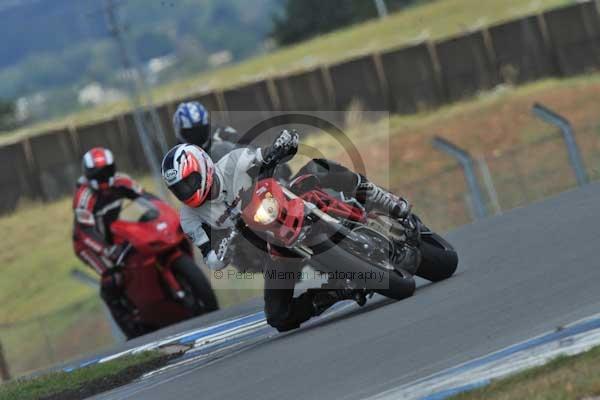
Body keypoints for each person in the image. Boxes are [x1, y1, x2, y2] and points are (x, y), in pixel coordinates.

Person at [160, 130, 410, 332]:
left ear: (203, 167)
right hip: (271, 243)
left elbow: (263, 156)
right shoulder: (189, 217)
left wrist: (282, 145)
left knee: (319, 167)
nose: (187, 191)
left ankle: (382, 199)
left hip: (283, 201)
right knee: (279, 316)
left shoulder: (232, 162)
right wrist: (223, 248)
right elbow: (211, 260)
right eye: (180, 189)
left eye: (189, 182)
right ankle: (334, 292)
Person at [72, 147, 144, 329]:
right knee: (114, 277)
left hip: (114, 234)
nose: (104, 178)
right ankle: (126, 321)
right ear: (88, 175)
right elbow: (85, 231)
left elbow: (146, 197)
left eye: (107, 171)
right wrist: (107, 251)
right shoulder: (84, 196)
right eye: (98, 174)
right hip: (88, 243)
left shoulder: (122, 181)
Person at [172, 101, 239, 162]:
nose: (197, 136)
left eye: (200, 130)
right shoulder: (176, 156)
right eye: (190, 132)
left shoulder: (226, 135)